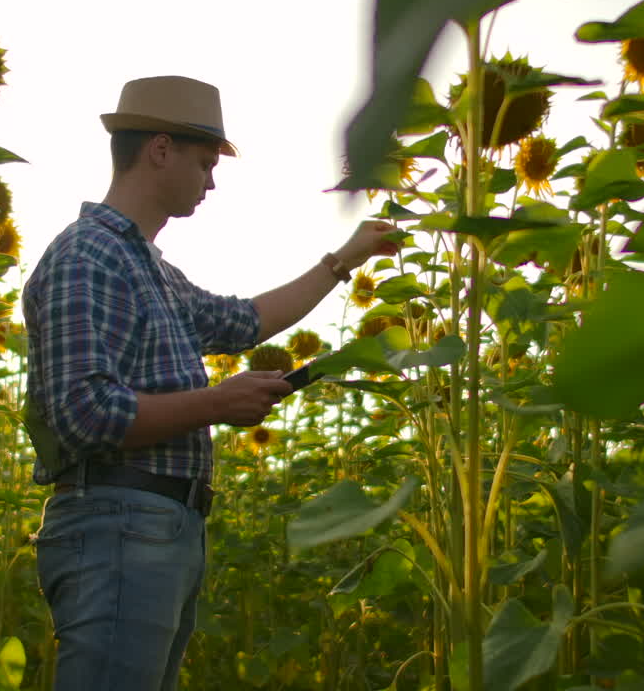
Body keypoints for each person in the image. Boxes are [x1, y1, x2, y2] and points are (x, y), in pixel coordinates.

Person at [23, 75, 397, 691]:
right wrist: (218, 403)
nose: (211, 182)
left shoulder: (154, 271)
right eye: (204, 163)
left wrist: (343, 261)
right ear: (160, 150)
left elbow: (244, 321)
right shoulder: (88, 255)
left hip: (159, 525)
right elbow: (83, 411)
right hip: (118, 520)